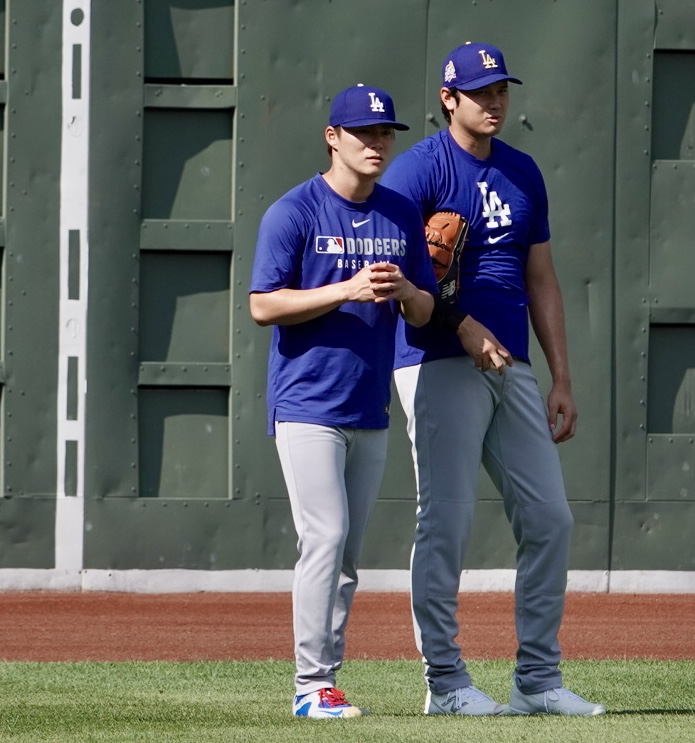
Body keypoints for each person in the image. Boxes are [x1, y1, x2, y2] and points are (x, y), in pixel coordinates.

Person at [381, 42, 605, 717]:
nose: (495, 101)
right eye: (480, 92)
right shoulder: (418, 170)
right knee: (446, 519)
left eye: (501, 89)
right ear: (448, 99)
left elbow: (542, 277)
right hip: (437, 357)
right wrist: (462, 323)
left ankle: (537, 678)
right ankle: (446, 683)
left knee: (550, 518)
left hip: (512, 364)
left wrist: (561, 377)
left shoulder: (522, 170)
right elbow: (400, 276)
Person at [249, 84, 436, 718]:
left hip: (368, 404)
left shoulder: (400, 213)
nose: (377, 143)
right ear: (333, 138)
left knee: (346, 552)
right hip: (307, 402)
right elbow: (263, 305)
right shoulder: (295, 211)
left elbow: (425, 309)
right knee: (325, 537)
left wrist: (407, 290)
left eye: (386, 132)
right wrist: (345, 290)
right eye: (364, 133)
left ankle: (325, 678)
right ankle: (310, 685)